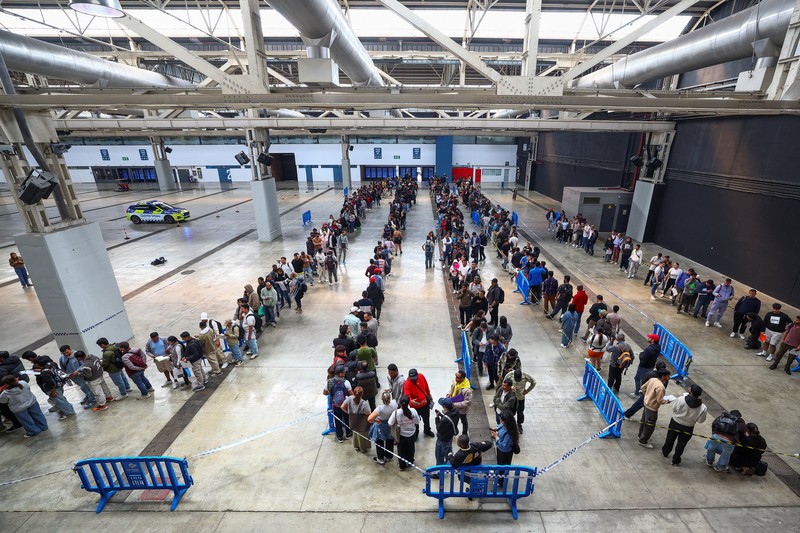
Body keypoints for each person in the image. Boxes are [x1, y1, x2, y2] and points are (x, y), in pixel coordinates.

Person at [661, 384, 707, 466]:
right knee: (681, 444)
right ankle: (675, 460)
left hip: (675, 423)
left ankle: (665, 452)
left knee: (670, 439)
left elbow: (674, 409)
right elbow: (701, 420)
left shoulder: (681, 399)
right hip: (688, 427)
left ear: (690, 391)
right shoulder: (703, 407)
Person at [637, 369, 671, 449]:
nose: (669, 377)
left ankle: (640, 435)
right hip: (652, 408)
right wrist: (666, 401)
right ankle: (643, 440)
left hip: (646, 403)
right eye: (668, 376)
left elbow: (643, 387)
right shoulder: (661, 387)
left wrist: (647, 396)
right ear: (663, 376)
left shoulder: (652, 379)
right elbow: (659, 400)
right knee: (650, 425)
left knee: (643, 421)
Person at [389, 397, 421, 471]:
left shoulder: (396, 413)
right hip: (412, 434)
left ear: (400, 403)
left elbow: (390, 423)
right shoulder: (413, 411)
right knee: (411, 448)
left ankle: (402, 465)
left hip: (401, 435)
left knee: (401, 450)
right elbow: (417, 422)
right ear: (409, 402)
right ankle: (410, 462)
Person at [324, 365, 353, 443]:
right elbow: (351, 395)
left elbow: (325, 393)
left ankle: (339, 436)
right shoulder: (346, 382)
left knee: (337, 420)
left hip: (335, 405)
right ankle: (348, 434)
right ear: (340, 374)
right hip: (345, 405)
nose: (345, 373)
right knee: (347, 419)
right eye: (344, 372)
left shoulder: (329, 382)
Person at [368, 391, 397, 465]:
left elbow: (369, 419)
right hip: (390, 425)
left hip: (381, 426)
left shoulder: (380, 409)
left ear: (382, 399)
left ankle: (380, 458)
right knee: (390, 440)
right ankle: (389, 456)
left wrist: (376, 420)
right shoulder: (394, 404)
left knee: (379, 441)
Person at [492, 410, 520, 488]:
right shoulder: (506, 425)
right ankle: (497, 474)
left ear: (506, 421)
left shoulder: (509, 434)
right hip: (500, 450)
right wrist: (496, 428)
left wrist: (496, 437)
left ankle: (500, 482)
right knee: (499, 463)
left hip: (505, 452)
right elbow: (500, 425)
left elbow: (504, 445)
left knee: (502, 467)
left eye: (502, 420)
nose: (500, 420)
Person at [404, 368, 434, 438]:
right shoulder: (407, 384)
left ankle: (427, 430)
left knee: (426, 419)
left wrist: (429, 395)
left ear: (417, 375)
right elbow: (407, 395)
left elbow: (426, 387)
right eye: (411, 378)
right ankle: (416, 433)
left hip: (425, 404)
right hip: (415, 408)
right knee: (415, 422)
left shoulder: (421, 376)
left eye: (414, 377)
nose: (413, 379)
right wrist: (411, 401)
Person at [504, 368, 536, 433]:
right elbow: (504, 383)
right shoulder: (510, 375)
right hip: (511, 397)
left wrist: (527, 390)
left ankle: (519, 424)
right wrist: (511, 388)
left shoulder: (526, 376)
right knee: (510, 410)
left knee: (520, 411)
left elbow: (533, 382)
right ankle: (509, 423)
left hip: (520, 397)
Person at [433, 398, 460, 472]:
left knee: (439, 456)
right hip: (449, 437)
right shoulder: (456, 411)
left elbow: (439, 429)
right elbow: (449, 418)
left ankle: (439, 472)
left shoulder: (444, 420)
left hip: (442, 440)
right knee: (448, 451)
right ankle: (450, 462)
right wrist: (442, 415)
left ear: (445, 407)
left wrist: (437, 418)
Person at [630, 333, 661, 398]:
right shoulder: (658, 348)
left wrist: (641, 355)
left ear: (652, 340)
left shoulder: (649, 349)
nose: (648, 338)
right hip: (651, 366)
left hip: (644, 367)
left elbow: (643, 359)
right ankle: (643, 391)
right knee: (645, 379)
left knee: (637, 378)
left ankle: (637, 392)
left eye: (649, 338)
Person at [342, 386, 372, 453]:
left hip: (353, 422)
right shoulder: (364, 403)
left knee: (355, 433)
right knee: (363, 435)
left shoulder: (349, 398)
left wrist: (348, 412)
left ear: (354, 392)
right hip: (362, 424)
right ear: (362, 393)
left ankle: (356, 446)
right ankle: (363, 448)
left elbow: (342, 406)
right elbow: (368, 413)